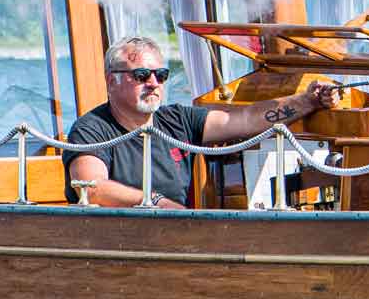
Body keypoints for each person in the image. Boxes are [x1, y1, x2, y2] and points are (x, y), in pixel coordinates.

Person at [65, 35, 336, 209]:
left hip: (174, 237)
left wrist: (308, 101)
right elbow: (91, 189)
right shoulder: (91, 129)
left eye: (161, 74)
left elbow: (244, 118)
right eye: (141, 75)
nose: (153, 83)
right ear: (112, 80)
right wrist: (156, 204)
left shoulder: (178, 121)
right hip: (117, 245)